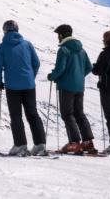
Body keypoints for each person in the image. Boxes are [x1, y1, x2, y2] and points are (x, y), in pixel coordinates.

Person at [0, 20, 47, 156]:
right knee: (33, 114)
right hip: (29, 85)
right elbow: (36, 63)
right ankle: (40, 145)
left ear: (5, 31)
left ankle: (20, 145)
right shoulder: (27, 44)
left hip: (12, 86)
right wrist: (30, 77)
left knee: (16, 115)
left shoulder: (2, 47)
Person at [47, 24, 94, 154]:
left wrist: (52, 76)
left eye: (58, 35)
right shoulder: (82, 50)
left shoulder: (64, 50)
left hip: (66, 86)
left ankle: (74, 143)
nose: (58, 37)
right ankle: (88, 142)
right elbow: (89, 67)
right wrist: (79, 76)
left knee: (67, 114)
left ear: (62, 35)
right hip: (79, 86)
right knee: (79, 114)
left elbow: (60, 69)